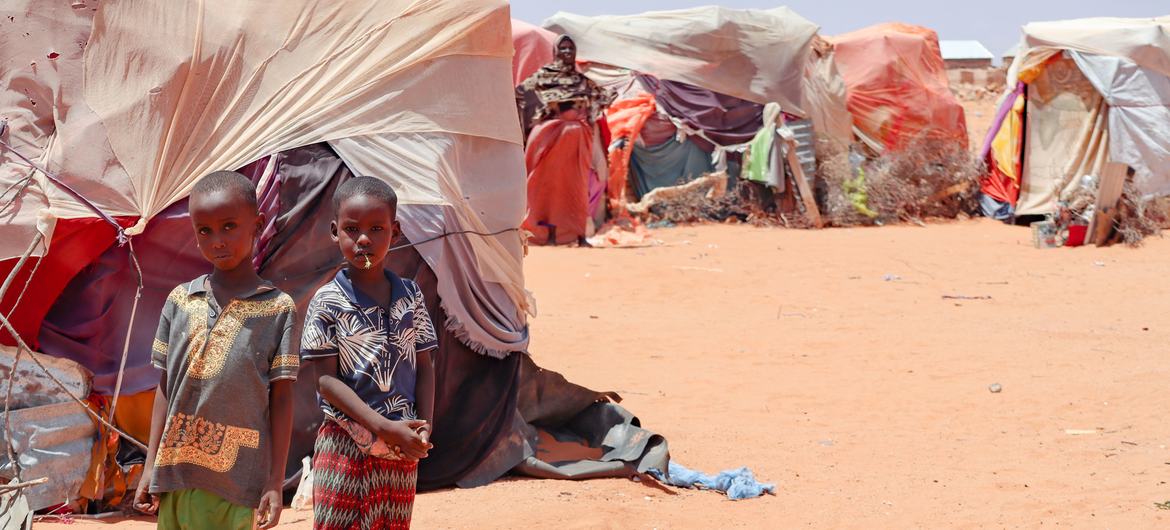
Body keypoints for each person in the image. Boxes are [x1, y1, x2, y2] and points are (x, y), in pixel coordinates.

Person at [134, 171, 297, 530]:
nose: (217, 240)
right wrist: (150, 467)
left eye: (229, 226)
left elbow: (282, 398)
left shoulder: (277, 308)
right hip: (176, 474)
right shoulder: (179, 300)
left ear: (257, 225)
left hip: (237, 482)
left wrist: (275, 481)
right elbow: (166, 386)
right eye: (204, 231)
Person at [301, 176, 438, 530]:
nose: (364, 239)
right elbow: (325, 380)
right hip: (345, 445)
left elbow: (424, 365)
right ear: (335, 232)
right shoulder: (327, 301)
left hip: (400, 448)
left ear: (395, 231)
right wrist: (382, 426)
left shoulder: (411, 295)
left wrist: (423, 427)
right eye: (352, 229)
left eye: (376, 228)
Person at [516, 35, 615, 246]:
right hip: (549, 136)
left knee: (577, 188)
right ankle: (546, 233)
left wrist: (594, 106)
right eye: (563, 48)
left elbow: (603, 97)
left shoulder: (582, 80)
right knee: (546, 186)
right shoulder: (544, 76)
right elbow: (519, 94)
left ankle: (578, 234)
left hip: (578, 139)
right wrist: (534, 116)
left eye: (571, 48)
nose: (568, 52)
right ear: (555, 51)